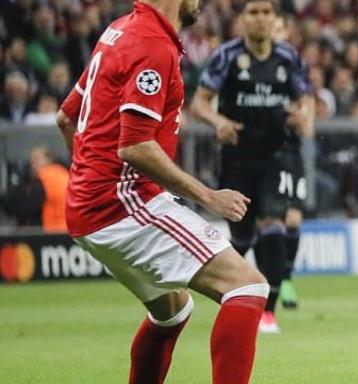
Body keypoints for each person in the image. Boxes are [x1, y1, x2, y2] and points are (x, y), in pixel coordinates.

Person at [54, 1, 268, 383]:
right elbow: (134, 146)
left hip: (88, 209)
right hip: (122, 202)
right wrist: (208, 197)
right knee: (247, 286)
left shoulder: (118, 30)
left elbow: (66, 117)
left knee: (172, 310)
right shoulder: (154, 45)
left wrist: (90, 177)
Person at [191, 0, 314, 332]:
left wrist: (305, 117)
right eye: (253, 12)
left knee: (273, 220)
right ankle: (232, 290)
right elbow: (199, 103)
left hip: (277, 153)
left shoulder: (289, 57)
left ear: (274, 19)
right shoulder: (227, 57)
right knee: (242, 234)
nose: (260, 19)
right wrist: (217, 121)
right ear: (242, 20)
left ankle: (268, 311)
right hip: (238, 155)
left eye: (266, 12)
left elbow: (306, 98)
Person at [29, 146, 69, 233]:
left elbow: (29, 203)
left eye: (36, 159)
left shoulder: (46, 176)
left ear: (48, 159)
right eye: (32, 161)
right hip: (70, 228)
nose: (33, 164)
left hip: (54, 230)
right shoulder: (63, 173)